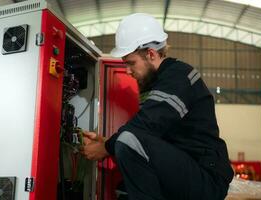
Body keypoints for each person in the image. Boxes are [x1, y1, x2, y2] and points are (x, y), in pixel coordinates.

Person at [80, 13, 234, 200]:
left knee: (128, 140)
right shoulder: (157, 82)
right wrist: (107, 143)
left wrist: (106, 147)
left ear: (151, 54)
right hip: (185, 169)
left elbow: (148, 125)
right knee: (123, 190)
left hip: (206, 178)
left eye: (131, 63)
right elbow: (149, 136)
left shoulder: (179, 76)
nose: (127, 71)